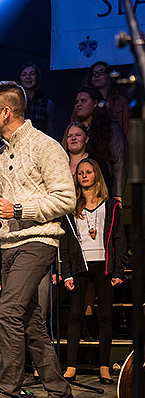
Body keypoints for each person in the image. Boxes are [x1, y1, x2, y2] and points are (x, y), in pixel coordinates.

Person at [0, 81, 75, 398]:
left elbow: (65, 199)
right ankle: (60, 396)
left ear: (6, 111)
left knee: (8, 312)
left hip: (38, 241)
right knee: (29, 322)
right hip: (10, 245)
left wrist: (17, 210)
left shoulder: (45, 146)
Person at [59, 158, 126, 385]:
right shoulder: (70, 208)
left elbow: (119, 240)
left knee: (105, 315)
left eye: (88, 172)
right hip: (80, 264)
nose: (84, 175)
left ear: (96, 174)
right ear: (76, 178)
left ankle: (104, 367)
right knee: (76, 314)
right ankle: (70, 367)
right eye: (80, 173)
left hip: (104, 265)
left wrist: (119, 271)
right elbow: (66, 244)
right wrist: (66, 272)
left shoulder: (111, 206)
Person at [71, 87, 127, 201]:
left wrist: (117, 194)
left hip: (103, 187)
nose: (79, 105)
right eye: (77, 102)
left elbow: (119, 160)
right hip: (79, 190)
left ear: (95, 103)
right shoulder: (74, 130)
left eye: (83, 101)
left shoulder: (110, 127)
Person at [61, 122, 113, 195]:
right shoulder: (59, 163)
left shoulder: (98, 163)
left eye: (78, 135)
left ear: (86, 139)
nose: (73, 138)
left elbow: (106, 190)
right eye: (69, 136)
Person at [82, 61, 130, 138]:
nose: (96, 75)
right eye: (94, 73)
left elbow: (127, 130)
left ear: (109, 76)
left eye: (101, 72)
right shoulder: (82, 103)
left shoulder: (121, 102)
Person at [17, 62, 54, 135]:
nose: (28, 77)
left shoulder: (46, 102)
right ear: (20, 78)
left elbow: (50, 130)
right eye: (24, 74)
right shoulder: (14, 101)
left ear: (37, 77)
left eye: (32, 74)